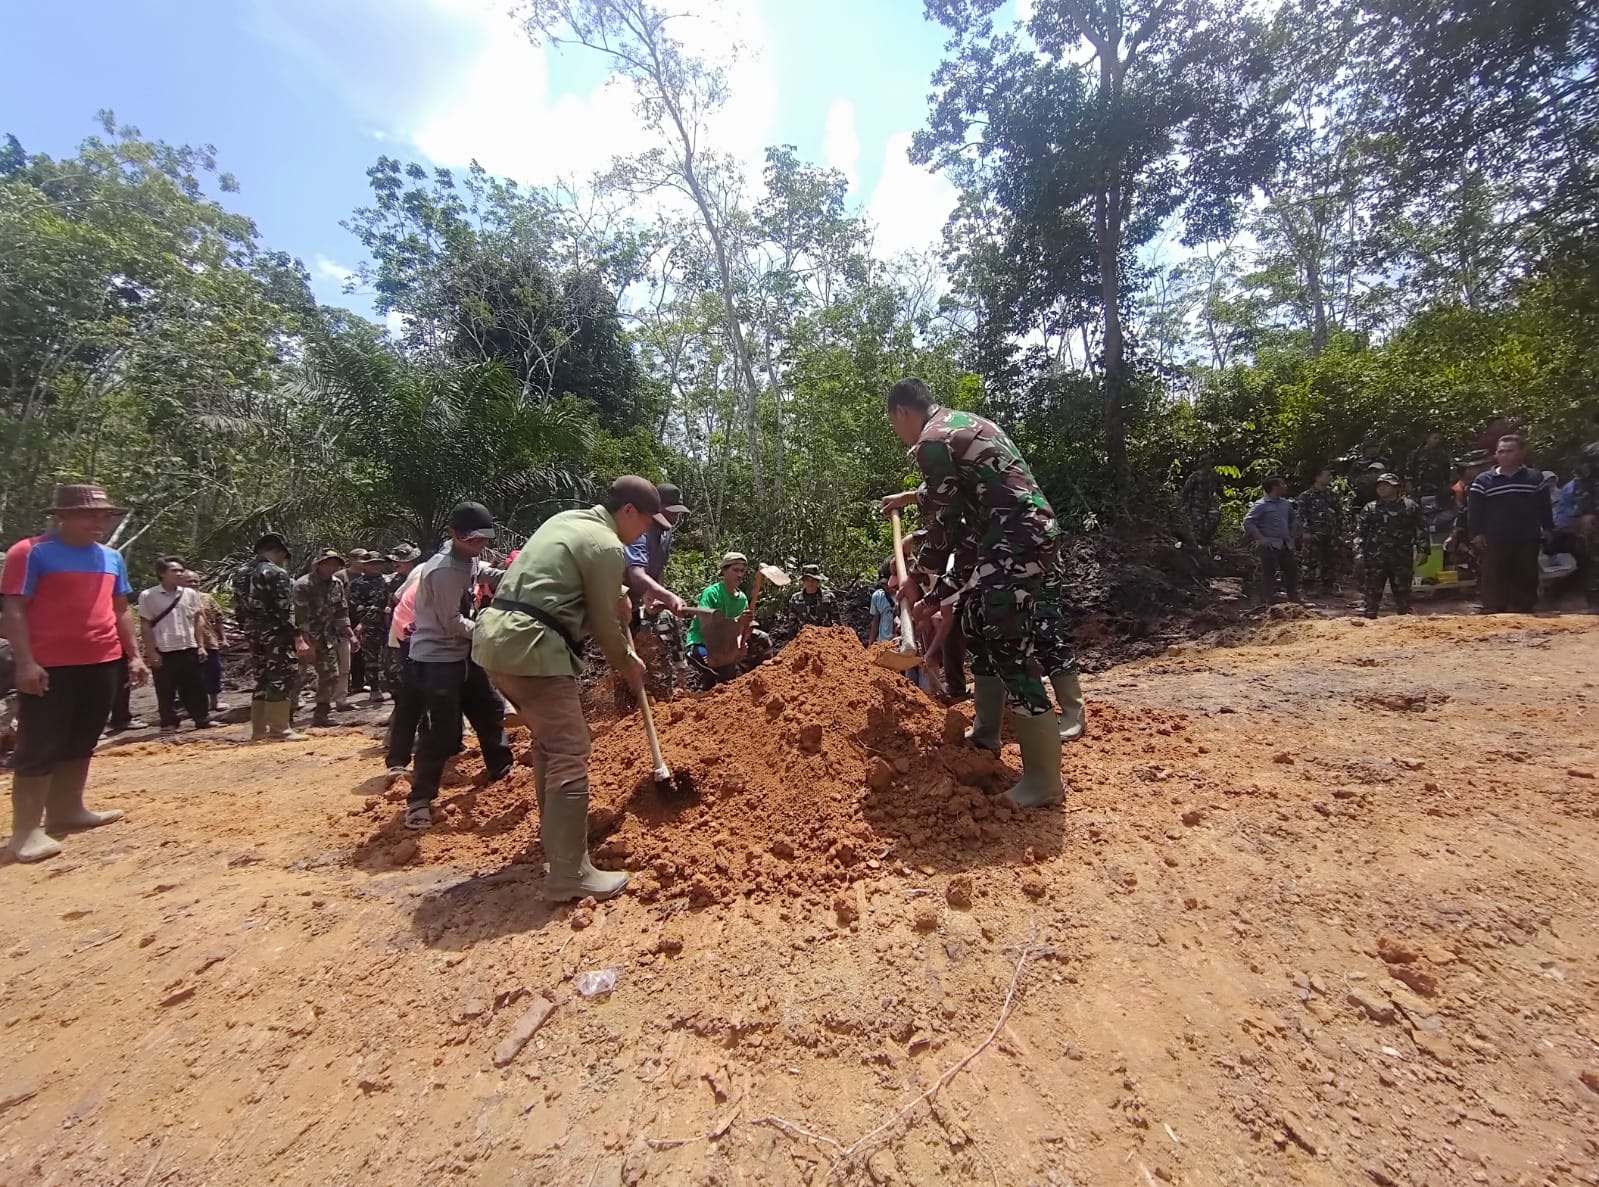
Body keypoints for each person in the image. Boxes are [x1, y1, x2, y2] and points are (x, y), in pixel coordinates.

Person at [473, 476, 665, 902]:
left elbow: (568, 577)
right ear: (629, 511)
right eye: (648, 523)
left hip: (498, 640)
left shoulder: (571, 521)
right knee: (570, 749)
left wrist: (619, 592)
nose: (646, 533)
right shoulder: (607, 544)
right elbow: (602, 621)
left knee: (549, 744)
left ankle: (556, 847)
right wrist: (626, 663)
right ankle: (569, 873)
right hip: (532, 646)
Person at [887, 377, 1065, 808]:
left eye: (896, 428)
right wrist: (933, 594)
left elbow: (946, 524)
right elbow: (964, 530)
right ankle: (986, 733)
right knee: (978, 626)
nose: (901, 437)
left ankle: (1043, 780)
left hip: (1014, 540)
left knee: (1009, 644)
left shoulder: (932, 440)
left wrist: (919, 575)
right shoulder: (966, 424)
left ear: (902, 414)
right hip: (1009, 539)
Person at [1, 485, 144, 862]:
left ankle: (67, 810)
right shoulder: (30, 552)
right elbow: (14, 610)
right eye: (88, 514)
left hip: (101, 660)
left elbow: (120, 610)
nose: (97, 522)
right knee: (39, 744)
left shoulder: (111, 557)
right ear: (61, 516)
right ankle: (25, 832)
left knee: (83, 736)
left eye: (103, 515)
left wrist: (134, 656)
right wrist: (26, 662)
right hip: (49, 664)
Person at [404, 502, 515, 829]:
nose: (479, 546)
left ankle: (501, 768)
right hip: (438, 658)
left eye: (483, 540)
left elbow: (484, 573)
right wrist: (490, 632)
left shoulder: (468, 557)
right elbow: (451, 622)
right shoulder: (443, 571)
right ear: (454, 535)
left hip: (462, 653)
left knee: (490, 710)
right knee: (445, 732)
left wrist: (516, 576)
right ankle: (420, 799)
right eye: (472, 540)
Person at [232, 532, 308, 742]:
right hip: (276, 633)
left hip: (252, 631)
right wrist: (297, 636)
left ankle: (259, 730)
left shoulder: (240, 573)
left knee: (261, 677)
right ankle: (279, 728)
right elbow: (285, 609)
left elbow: (238, 606)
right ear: (277, 552)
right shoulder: (275, 573)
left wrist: (247, 628)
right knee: (280, 676)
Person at [1468, 435, 1552, 614]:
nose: (1504, 455)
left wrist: (1548, 528)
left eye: (1509, 451)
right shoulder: (1484, 480)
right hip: (1495, 537)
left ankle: (1523, 609)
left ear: (1521, 453)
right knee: (1494, 574)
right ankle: (1494, 610)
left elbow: (1544, 506)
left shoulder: (1534, 477)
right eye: (1500, 451)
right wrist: (1477, 533)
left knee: (1526, 573)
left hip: (1527, 535)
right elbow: (1475, 510)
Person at [623, 482, 690, 696]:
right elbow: (636, 574)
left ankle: (657, 701)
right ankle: (628, 709)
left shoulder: (666, 534)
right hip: (621, 600)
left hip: (643, 599)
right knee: (629, 657)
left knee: (655, 650)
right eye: (671, 512)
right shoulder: (640, 531)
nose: (675, 517)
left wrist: (655, 596)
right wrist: (667, 597)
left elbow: (658, 568)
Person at [137, 556, 213, 732]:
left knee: (195, 686)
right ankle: (169, 722)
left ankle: (202, 718)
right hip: (164, 648)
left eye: (181, 570)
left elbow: (197, 620)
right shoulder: (148, 596)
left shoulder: (190, 594)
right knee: (165, 689)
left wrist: (200, 645)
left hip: (188, 646)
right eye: (174, 570)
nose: (179, 573)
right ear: (162, 573)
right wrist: (151, 652)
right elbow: (146, 624)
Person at [684, 553, 769, 685]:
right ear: (724, 570)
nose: (739, 575)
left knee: (762, 640)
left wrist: (741, 643)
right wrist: (737, 621)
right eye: (735, 570)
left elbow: (742, 628)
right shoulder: (712, 593)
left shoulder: (742, 600)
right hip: (703, 643)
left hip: (728, 644)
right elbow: (708, 625)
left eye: (742, 571)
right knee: (719, 674)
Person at [294, 548, 354, 728]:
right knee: (297, 676)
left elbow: (341, 611)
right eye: (327, 564)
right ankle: (286, 714)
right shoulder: (303, 585)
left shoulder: (336, 584)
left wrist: (350, 634)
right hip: (304, 637)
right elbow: (298, 616)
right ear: (318, 565)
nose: (331, 568)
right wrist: (304, 641)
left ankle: (321, 714)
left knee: (331, 675)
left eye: (334, 564)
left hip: (326, 637)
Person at [381, 543, 427, 778]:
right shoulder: (422, 575)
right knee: (409, 695)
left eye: (400, 559)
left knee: (411, 696)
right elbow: (394, 608)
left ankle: (400, 746)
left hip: (412, 638)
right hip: (408, 638)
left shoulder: (418, 573)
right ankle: (402, 750)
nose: (395, 562)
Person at [1357, 474, 1426, 618]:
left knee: (1403, 595)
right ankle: (1369, 624)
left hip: (1401, 557)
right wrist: (1358, 552)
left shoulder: (1410, 506)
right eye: (1379, 486)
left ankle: (1405, 623)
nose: (1381, 488)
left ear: (1396, 487)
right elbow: (1360, 533)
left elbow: (1421, 528)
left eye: (1386, 485)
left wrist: (1423, 550)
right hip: (1376, 558)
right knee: (1372, 594)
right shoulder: (1370, 508)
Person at [1243, 477, 1302, 603]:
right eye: (1283, 484)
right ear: (1275, 487)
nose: (1285, 486)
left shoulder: (1285, 504)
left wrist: (1292, 535)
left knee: (1292, 570)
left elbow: (1293, 520)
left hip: (1285, 544)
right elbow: (1248, 522)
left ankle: (1293, 597)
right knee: (1268, 573)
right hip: (1269, 545)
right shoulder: (1261, 505)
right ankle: (1267, 601)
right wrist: (1260, 538)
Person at [180, 570, 229, 715]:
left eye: (196, 580)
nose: (193, 584)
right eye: (189, 581)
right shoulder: (176, 600)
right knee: (189, 677)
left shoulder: (207, 598)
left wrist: (223, 638)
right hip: (186, 644)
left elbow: (219, 619)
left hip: (209, 642)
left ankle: (214, 702)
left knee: (213, 673)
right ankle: (192, 706)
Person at [346, 549, 390, 705]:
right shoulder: (357, 584)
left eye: (378, 564)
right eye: (372, 564)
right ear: (365, 566)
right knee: (371, 658)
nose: (376, 567)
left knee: (391, 658)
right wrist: (375, 612)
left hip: (390, 624)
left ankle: (391, 687)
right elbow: (355, 607)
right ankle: (374, 688)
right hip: (369, 626)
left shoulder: (388, 581)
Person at [1295, 468, 1344, 593]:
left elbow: (1339, 515)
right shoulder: (1306, 496)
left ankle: (1328, 586)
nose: (1330, 477)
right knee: (1310, 560)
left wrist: (1340, 532)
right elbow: (1301, 516)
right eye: (1327, 475)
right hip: (1313, 533)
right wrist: (1304, 532)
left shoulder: (1332, 495)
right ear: (1317, 478)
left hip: (1330, 533)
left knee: (1330, 561)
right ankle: (1308, 587)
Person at [1181, 456, 1222, 548]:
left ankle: (1206, 541)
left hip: (1210, 503)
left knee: (1214, 519)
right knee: (1198, 525)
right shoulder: (1194, 476)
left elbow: (1219, 487)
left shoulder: (1213, 475)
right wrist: (1185, 504)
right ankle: (1197, 545)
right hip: (1196, 504)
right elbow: (1186, 491)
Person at [1406, 432, 1454, 503]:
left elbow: (1448, 471)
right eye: (1435, 438)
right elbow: (1409, 469)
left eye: (1440, 439)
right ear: (1427, 439)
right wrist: (1408, 483)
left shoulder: (1443, 455)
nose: (1437, 441)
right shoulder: (1416, 453)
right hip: (1418, 487)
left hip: (1437, 488)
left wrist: (1448, 486)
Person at [868, 564, 896, 643]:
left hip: (898, 643)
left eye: (888, 584)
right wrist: (871, 642)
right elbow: (875, 621)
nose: (886, 587)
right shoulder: (877, 596)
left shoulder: (905, 596)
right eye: (883, 584)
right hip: (883, 642)